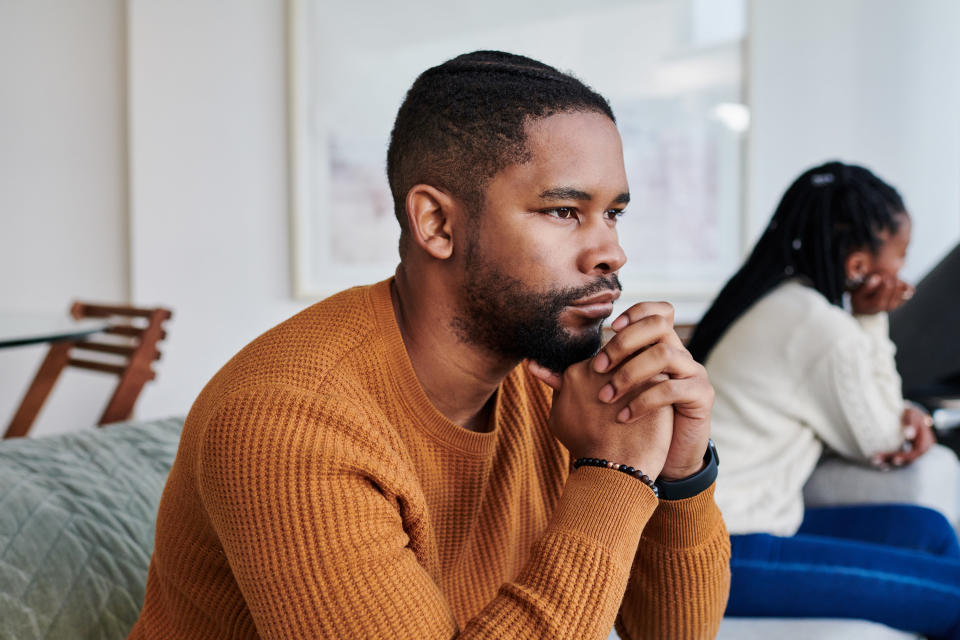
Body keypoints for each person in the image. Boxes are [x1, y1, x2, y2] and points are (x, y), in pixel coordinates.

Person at [130, 51, 730, 639]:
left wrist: (679, 474)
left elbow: (675, 631)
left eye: (614, 213)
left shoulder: (551, 377)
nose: (611, 253)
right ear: (437, 224)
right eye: (564, 211)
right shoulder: (287, 418)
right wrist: (614, 474)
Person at [687, 161, 960, 637]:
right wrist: (873, 319)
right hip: (721, 551)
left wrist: (905, 413)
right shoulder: (821, 326)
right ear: (858, 266)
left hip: (740, 527)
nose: (904, 269)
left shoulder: (780, 299)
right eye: (902, 254)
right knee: (954, 599)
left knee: (929, 530)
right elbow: (880, 441)